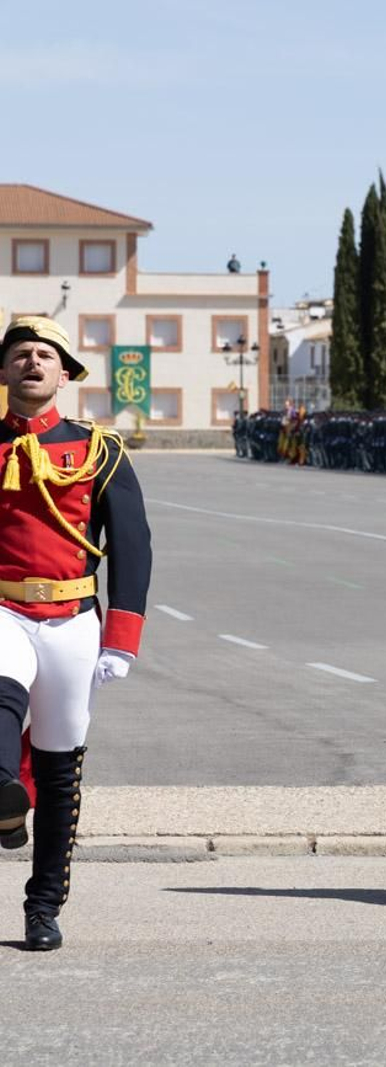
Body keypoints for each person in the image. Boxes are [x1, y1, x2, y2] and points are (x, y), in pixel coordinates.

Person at [0, 316, 151, 951]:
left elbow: (134, 545)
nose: (32, 363)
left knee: (62, 770)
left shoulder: (101, 450)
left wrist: (121, 637)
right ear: (4, 372)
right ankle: (4, 789)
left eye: (45, 355)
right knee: (1, 690)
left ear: (64, 374)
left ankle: (43, 908)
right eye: (20, 355)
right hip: (3, 607)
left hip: (72, 619)